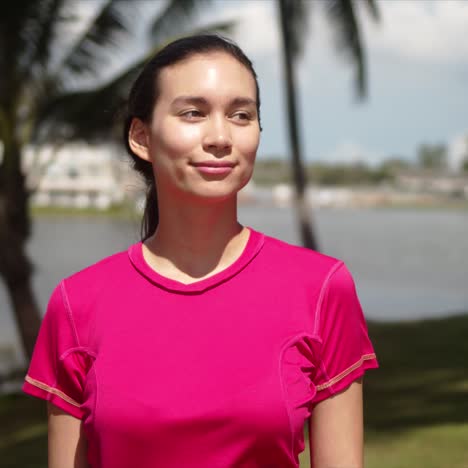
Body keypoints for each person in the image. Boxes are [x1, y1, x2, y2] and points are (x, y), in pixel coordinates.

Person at [22, 34, 379, 468]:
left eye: (241, 115)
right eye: (193, 113)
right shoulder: (76, 305)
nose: (220, 136)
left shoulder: (322, 289)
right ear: (141, 137)